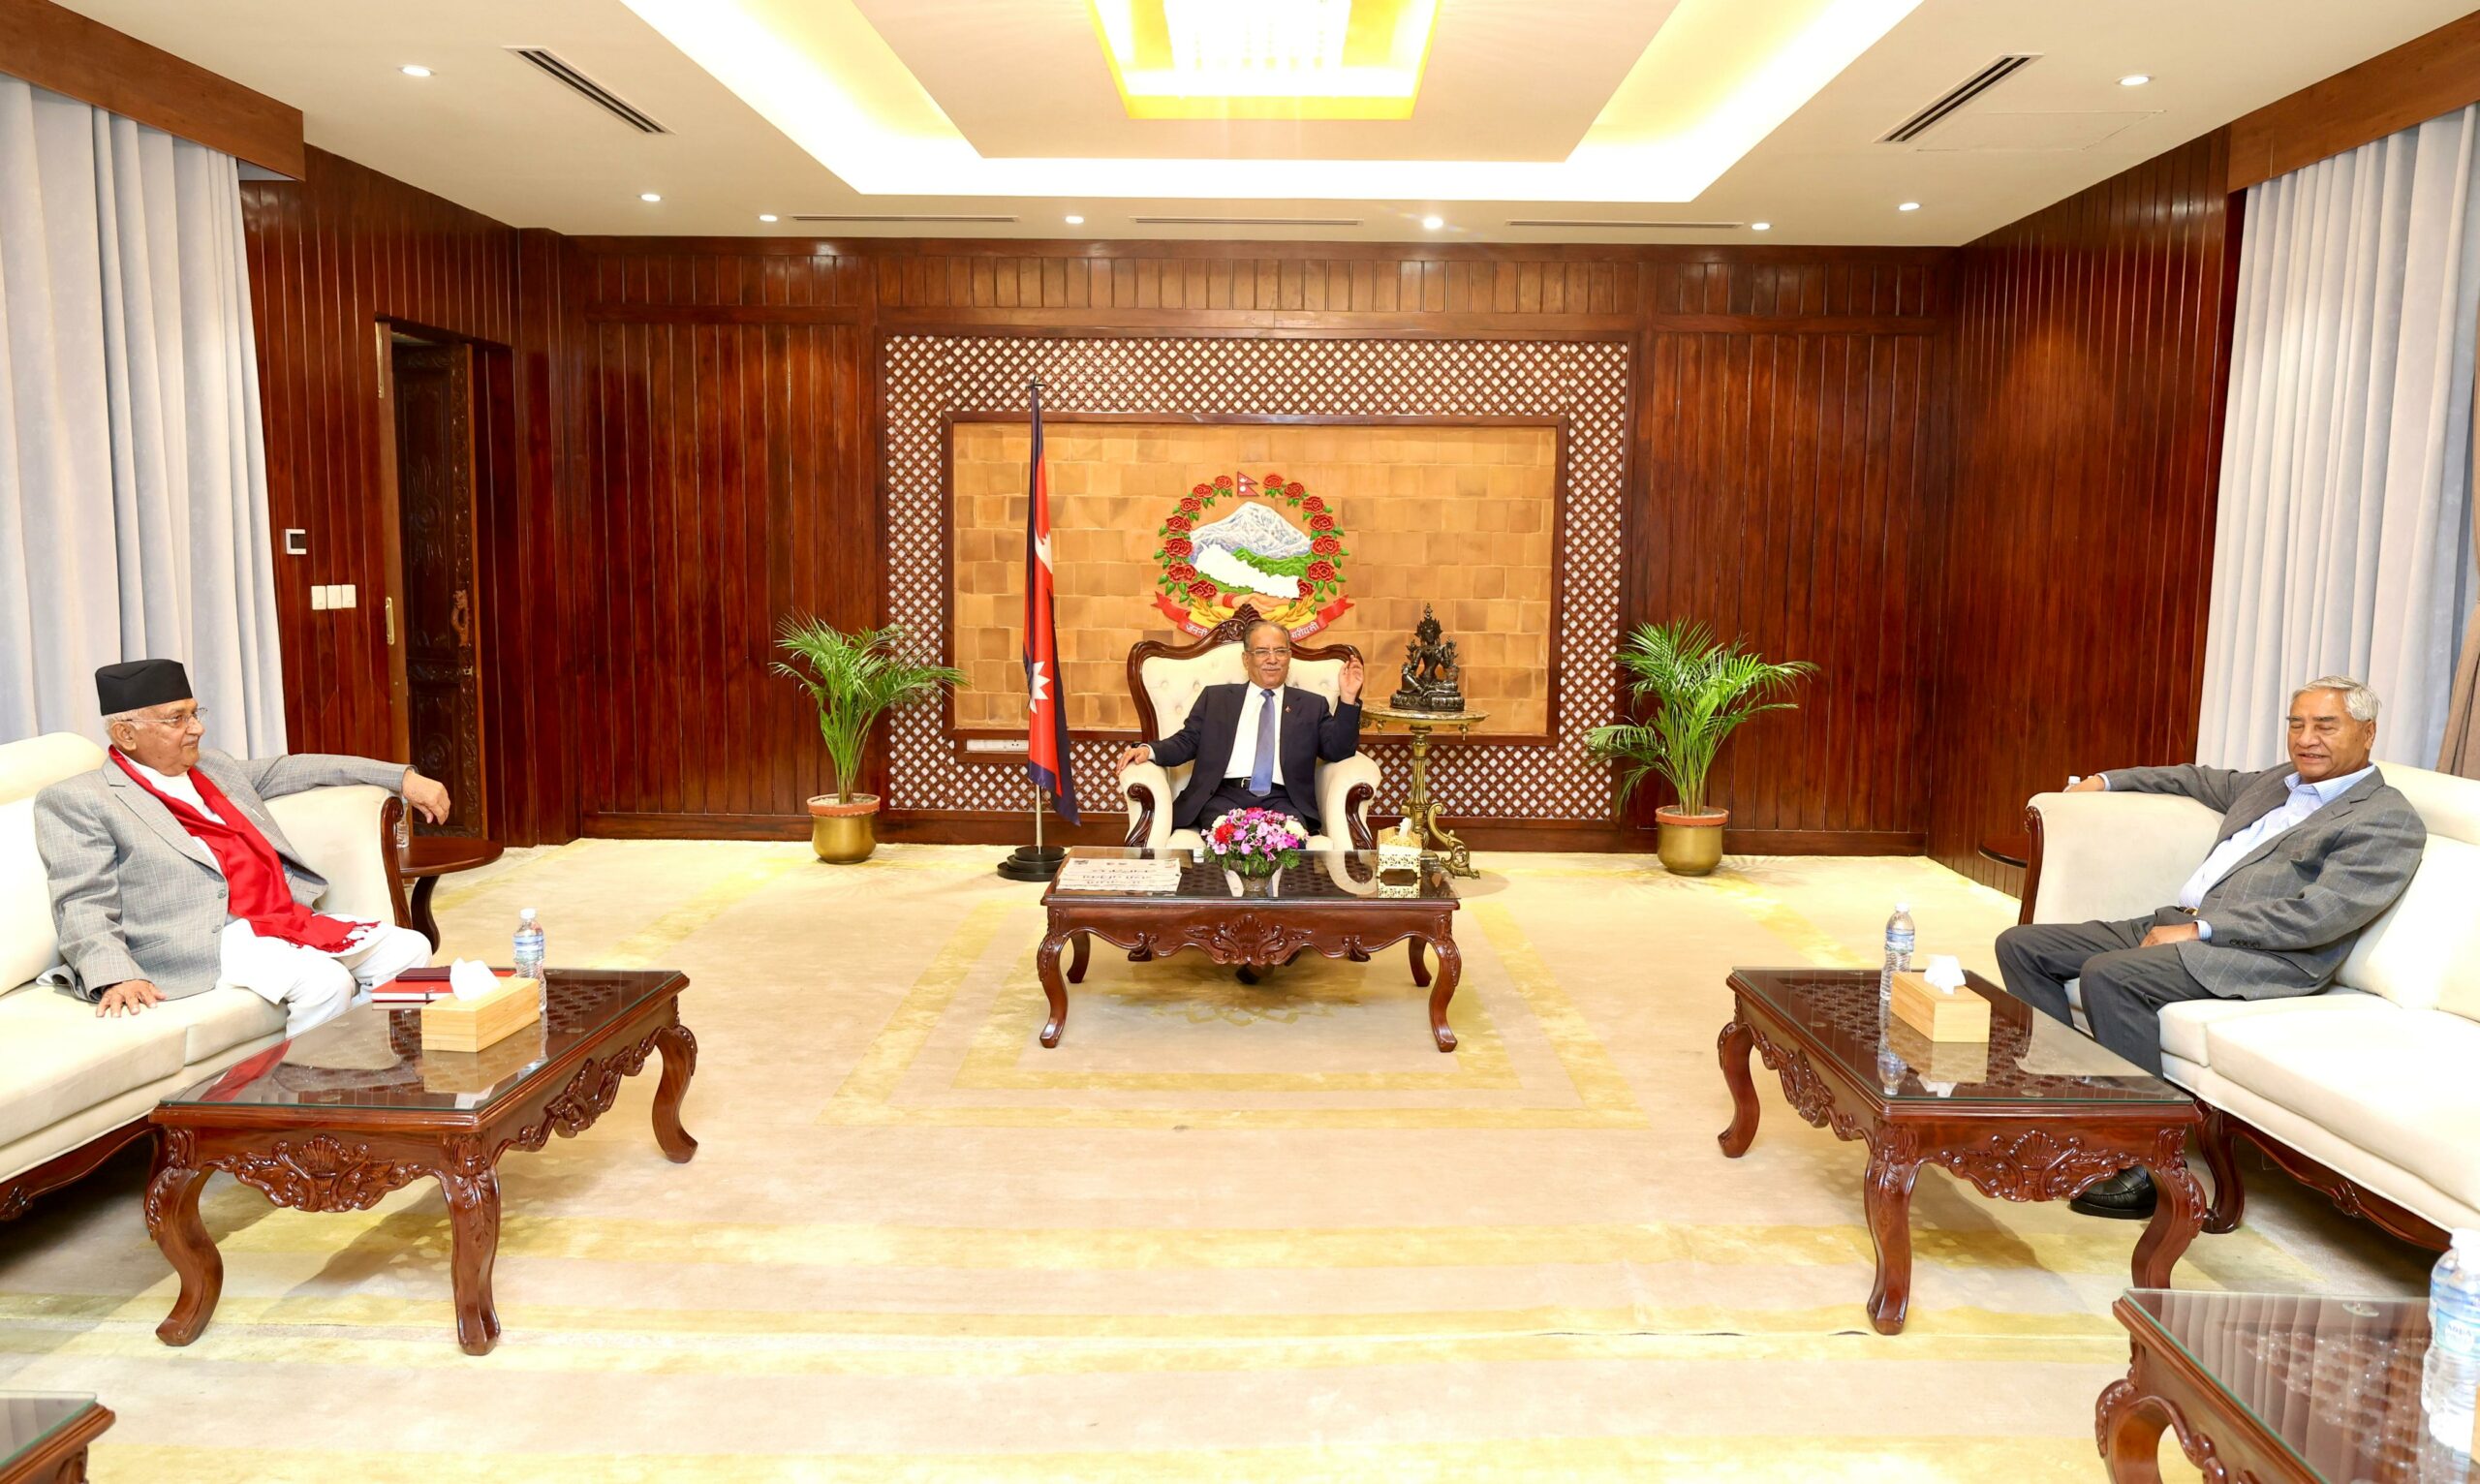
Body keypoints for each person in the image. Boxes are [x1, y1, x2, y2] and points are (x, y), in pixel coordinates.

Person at [1995, 675, 2424, 1219]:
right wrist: (2105, 781)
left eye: (2325, 726)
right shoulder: (2277, 783)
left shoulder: (2384, 818)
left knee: (2111, 974)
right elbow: (2193, 778)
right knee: (2022, 946)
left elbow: (2320, 915)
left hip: (2265, 956)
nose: (2306, 739)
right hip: (2181, 922)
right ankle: (2068, 1117)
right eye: (2296, 724)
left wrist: (2204, 931)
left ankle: (2144, 1165)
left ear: (2368, 733)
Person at [34, 659, 452, 1036]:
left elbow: (301, 768)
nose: (197, 728)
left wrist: (401, 779)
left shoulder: (215, 768)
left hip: (276, 917)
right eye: (177, 718)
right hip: (199, 939)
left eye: (195, 713)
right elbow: (82, 900)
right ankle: (309, 1092)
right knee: (326, 983)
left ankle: (387, 1062)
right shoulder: (84, 799)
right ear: (126, 734)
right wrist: (115, 974)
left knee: (409, 948)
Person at [1115, 619, 1366, 837]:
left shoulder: (1311, 705)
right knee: (1226, 841)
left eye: (1280, 651)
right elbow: (1186, 741)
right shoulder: (1216, 699)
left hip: (1284, 800)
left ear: (1289, 657)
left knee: (1288, 844)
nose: (1272, 659)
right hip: (1224, 797)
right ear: (1246, 659)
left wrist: (1347, 698)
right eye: (1262, 652)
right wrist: (1150, 750)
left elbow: (1338, 750)